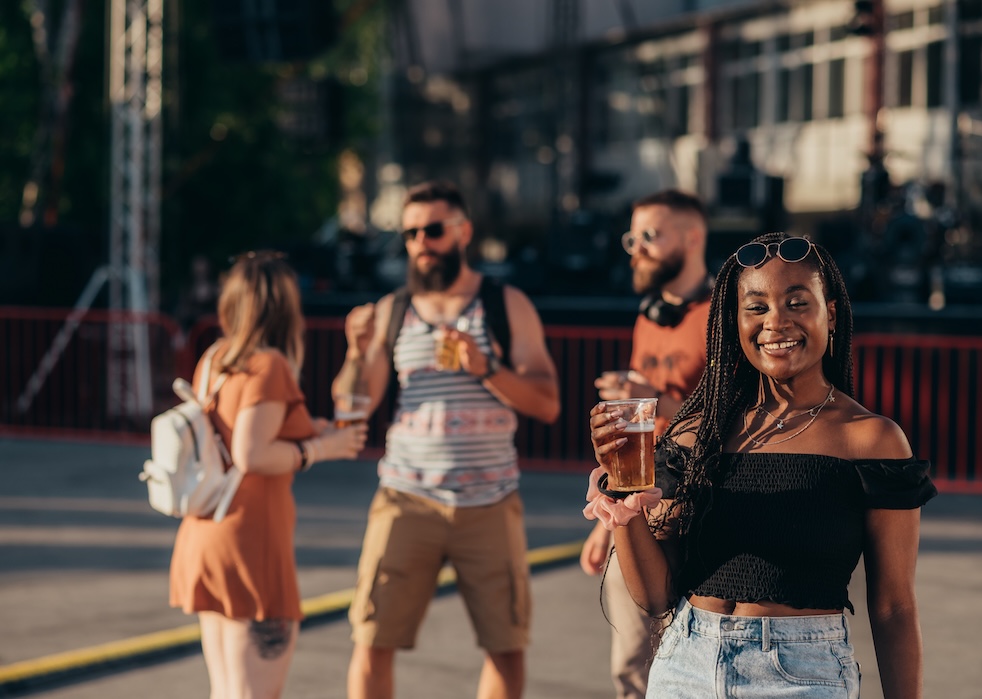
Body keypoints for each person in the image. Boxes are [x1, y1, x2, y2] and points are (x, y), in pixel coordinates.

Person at [586, 232, 938, 698]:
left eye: (797, 303)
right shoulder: (698, 432)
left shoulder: (871, 439)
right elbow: (655, 596)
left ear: (829, 314)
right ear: (734, 322)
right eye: (756, 307)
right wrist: (623, 503)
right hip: (685, 666)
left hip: (802, 675)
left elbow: (894, 606)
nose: (776, 323)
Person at [332, 180, 561, 699]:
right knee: (371, 640)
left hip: (490, 500)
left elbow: (547, 402)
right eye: (409, 233)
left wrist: (486, 367)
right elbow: (355, 405)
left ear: (463, 233)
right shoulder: (393, 311)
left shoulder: (505, 304)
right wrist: (354, 350)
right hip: (405, 497)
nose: (420, 243)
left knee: (505, 645)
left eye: (432, 230)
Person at [168, 251, 369, 699]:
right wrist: (321, 448)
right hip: (251, 543)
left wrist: (307, 429)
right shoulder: (271, 365)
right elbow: (252, 452)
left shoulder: (216, 358)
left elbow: (236, 429)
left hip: (207, 531)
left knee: (227, 690)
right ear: (284, 306)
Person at [579, 189, 712, 699]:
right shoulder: (649, 316)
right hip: (640, 508)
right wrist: (611, 515)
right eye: (632, 237)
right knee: (633, 672)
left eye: (650, 236)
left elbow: (741, 418)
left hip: (700, 513)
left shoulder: (723, 319)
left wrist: (651, 399)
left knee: (686, 668)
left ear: (692, 236)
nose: (637, 249)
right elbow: (637, 430)